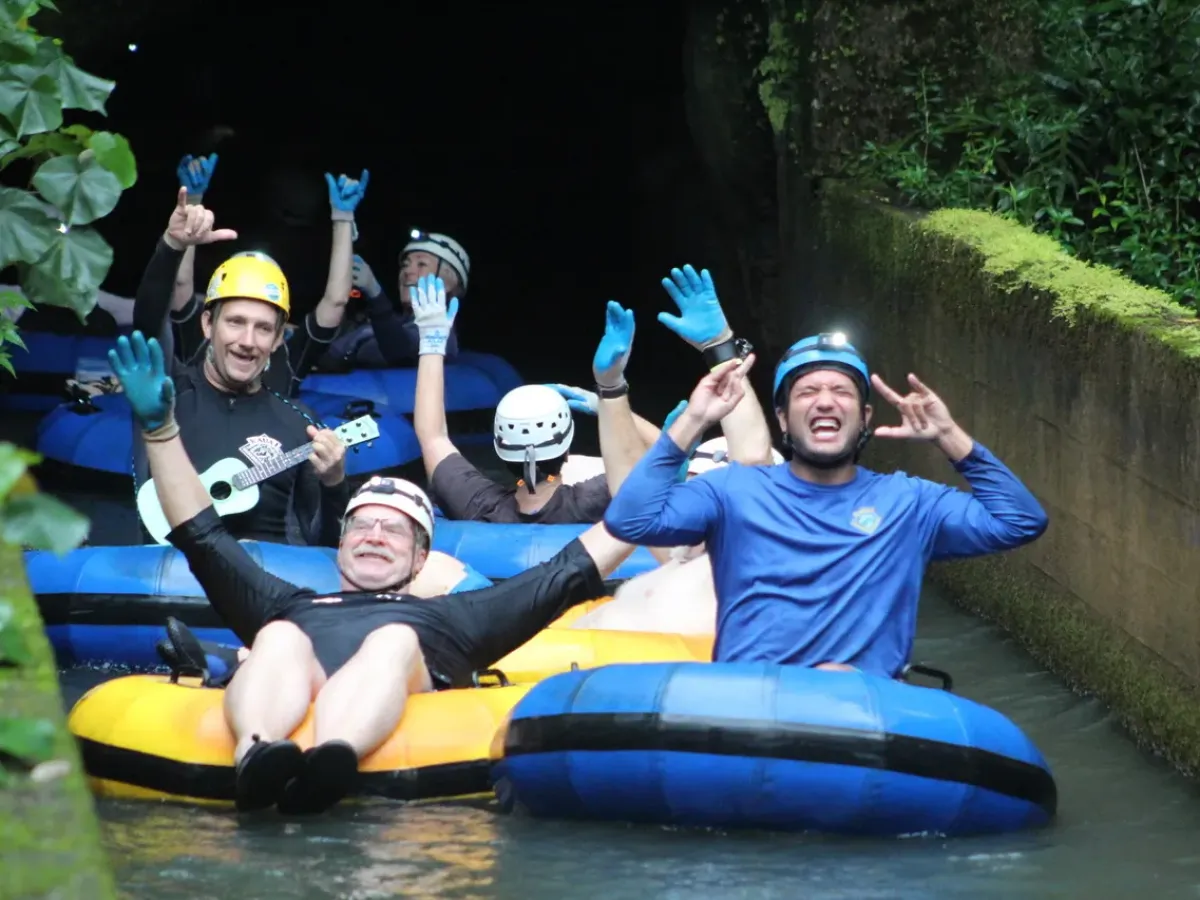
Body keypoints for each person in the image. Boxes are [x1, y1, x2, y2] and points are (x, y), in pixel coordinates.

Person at [108, 330, 636, 816]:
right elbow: (202, 536)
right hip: (285, 673)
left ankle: (330, 760)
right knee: (281, 637)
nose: (375, 535)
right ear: (339, 548)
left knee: (393, 641)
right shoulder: (291, 604)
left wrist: (626, 402)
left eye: (394, 529)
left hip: (382, 701)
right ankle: (258, 756)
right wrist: (160, 430)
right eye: (361, 525)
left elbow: (571, 567)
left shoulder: (453, 618)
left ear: (421, 559)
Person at [603, 332, 1049, 677]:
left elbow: (1019, 521)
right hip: (744, 711)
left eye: (841, 390)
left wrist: (949, 437)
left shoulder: (909, 502)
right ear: (782, 419)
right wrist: (694, 420)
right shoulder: (733, 490)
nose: (824, 401)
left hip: (859, 717)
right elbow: (629, 521)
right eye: (806, 392)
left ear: (865, 419)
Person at [129, 168, 369, 545]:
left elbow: (325, 545)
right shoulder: (165, 395)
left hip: (264, 595)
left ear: (277, 339)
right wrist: (172, 246)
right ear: (208, 324)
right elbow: (147, 321)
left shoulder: (301, 423)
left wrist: (335, 484)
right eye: (236, 322)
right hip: (169, 590)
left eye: (262, 328)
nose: (247, 340)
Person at [413, 283, 646, 524]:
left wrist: (431, 343)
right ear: (565, 450)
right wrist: (609, 391)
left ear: (500, 449)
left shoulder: (477, 505)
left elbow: (432, 437)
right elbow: (667, 462)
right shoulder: (599, 501)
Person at [317, 229, 469, 370]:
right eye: (405, 265)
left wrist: (375, 294)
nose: (407, 271)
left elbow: (400, 353)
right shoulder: (377, 324)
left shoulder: (441, 334)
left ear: (449, 282)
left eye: (421, 264)